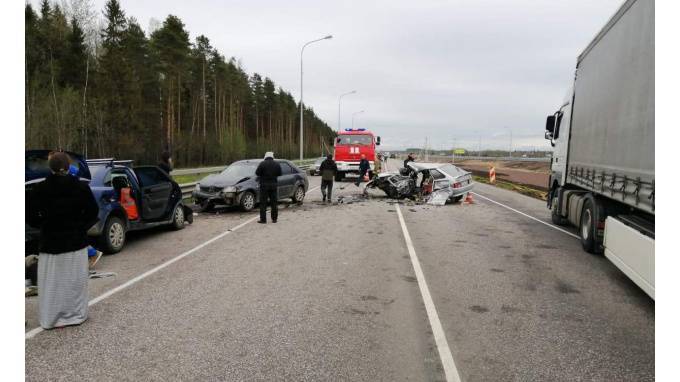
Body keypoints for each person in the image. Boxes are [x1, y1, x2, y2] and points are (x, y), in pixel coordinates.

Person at [26, 151, 99, 330]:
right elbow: (93, 212)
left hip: (50, 243)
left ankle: (51, 317)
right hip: (75, 242)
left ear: (50, 167)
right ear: (68, 166)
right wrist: (80, 227)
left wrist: (43, 225)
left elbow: (29, 216)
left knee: (52, 283)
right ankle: (76, 314)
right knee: (74, 282)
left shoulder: (40, 189)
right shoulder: (80, 187)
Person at [255, 151, 282, 223]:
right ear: (272, 156)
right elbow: (280, 173)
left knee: (263, 203)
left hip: (264, 186)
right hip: (273, 186)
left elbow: (257, 173)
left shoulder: (262, 164)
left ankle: (263, 220)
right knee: (274, 203)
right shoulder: (276, 164)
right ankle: (274, 219)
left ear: (265, 156)